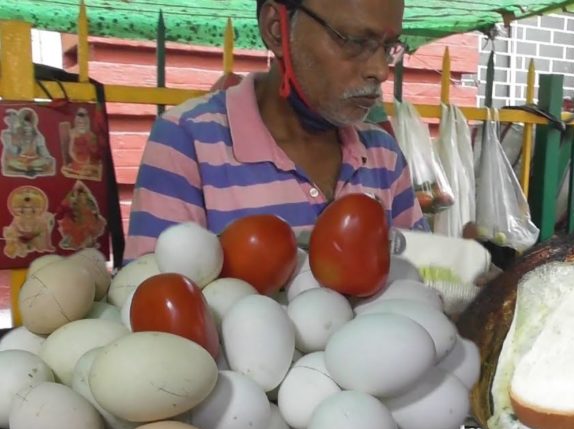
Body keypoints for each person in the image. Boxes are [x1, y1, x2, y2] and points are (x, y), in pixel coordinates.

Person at [123, 0, 428, 262]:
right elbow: (146, 299)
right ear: (275, 29)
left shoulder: (382, 154)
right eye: (354, 41)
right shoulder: (185, 142)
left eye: (388, 47)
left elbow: (419, 278)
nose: (381, 70)